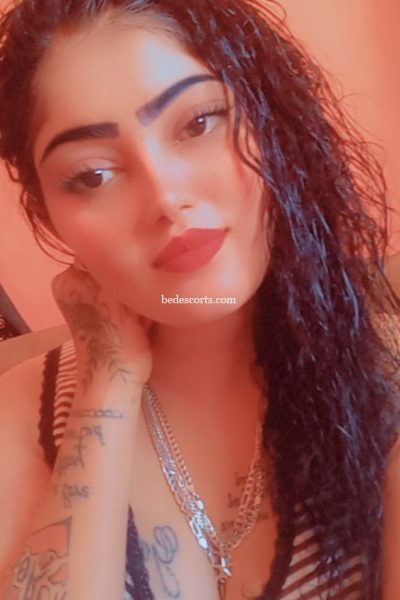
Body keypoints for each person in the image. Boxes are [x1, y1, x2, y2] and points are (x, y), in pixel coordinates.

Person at [0, 0, 399, 598]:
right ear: (51, 217)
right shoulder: (17, 414)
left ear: (273, 124)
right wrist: (108, 383)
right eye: (92, 175)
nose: (166, 196)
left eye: (199, 123)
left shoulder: (383, 375)